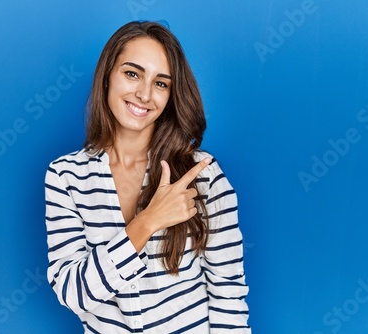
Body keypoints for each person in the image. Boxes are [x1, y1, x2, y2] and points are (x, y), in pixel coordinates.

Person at [45, 21, 251, 333]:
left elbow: (228, 295)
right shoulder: (65, 177)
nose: (144, 94)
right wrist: (148, 221)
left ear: (171, 95)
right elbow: (74, 294)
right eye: (132, 73)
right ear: (107, 77)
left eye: (161, 83)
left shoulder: (202, 173)